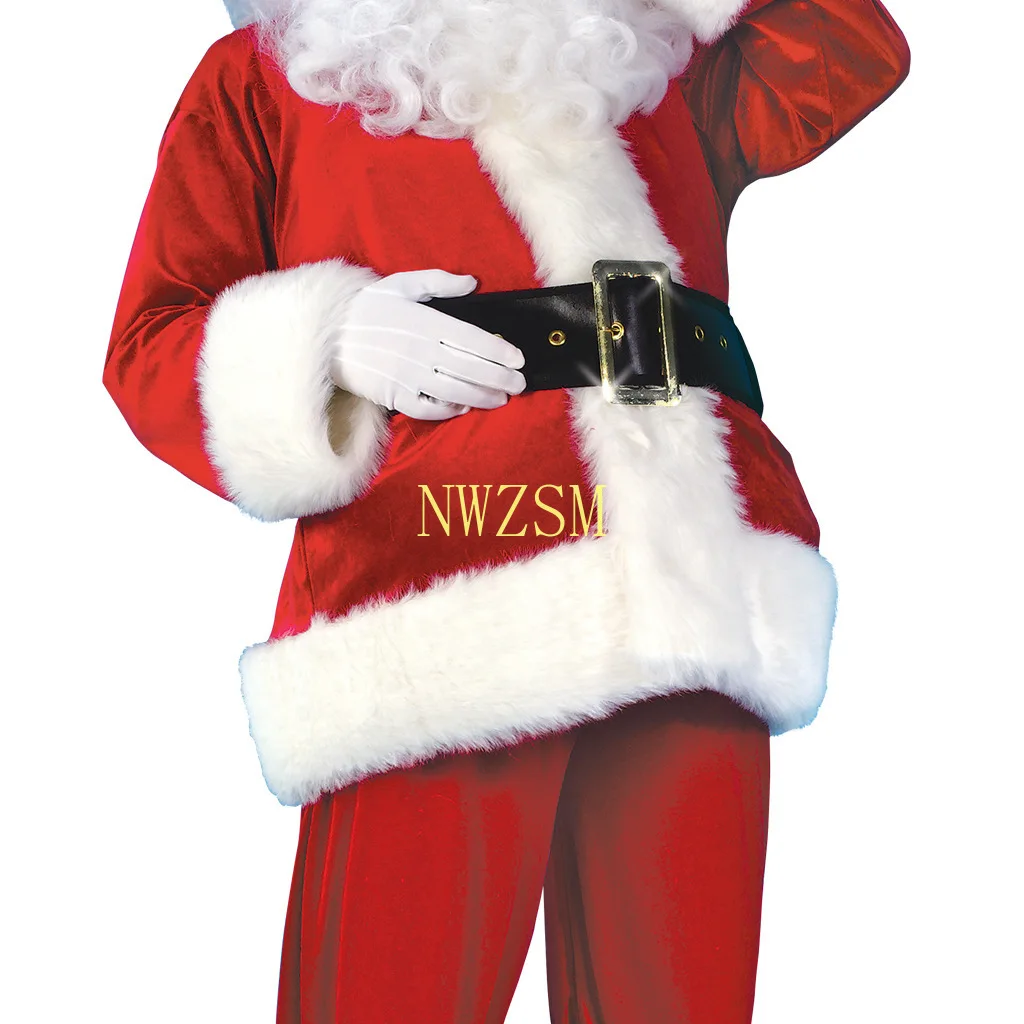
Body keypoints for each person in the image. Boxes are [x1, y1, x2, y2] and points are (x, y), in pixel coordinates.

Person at [103, 1, 911, 1020]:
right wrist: (328, 340)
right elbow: (149, 342)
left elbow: (847, 44)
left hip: (696, 585)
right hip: (433, 595)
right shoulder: (267, 75)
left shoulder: (658, 57)